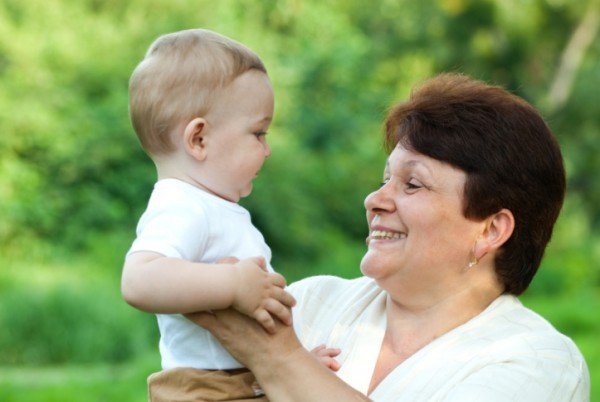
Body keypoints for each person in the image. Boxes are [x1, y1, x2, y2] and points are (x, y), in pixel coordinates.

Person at [189, 73, 591, 401]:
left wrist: (273, 355)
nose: (375, 200)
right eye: (384, 180)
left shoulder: (539, 363)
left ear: (491, 229)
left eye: (412, 184)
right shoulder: (310, 303)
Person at [120, 29, 338, 401]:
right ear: (199, 139)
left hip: (242, 380)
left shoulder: (214, 208)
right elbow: (138, 281)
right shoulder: (184, 206)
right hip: (206, 390)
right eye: (258, 133)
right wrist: (234, 285)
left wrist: (299, 365)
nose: (267, 150)